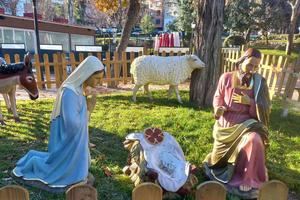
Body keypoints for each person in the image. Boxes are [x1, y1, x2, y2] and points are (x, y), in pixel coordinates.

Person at [12, 56, 104, 191]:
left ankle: (38, 159)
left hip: (74, 142)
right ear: (87, 74)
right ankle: (33, 162)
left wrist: (88, 106)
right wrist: (89, 107)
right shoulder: (70, 92)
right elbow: (73, 125)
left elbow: (79, 119)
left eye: (100, 78)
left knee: (78, 170)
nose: (99, 82)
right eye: (97, 78)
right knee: (57, 168)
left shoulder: (78, 90)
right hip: (68, 142)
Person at [204, 48, 271, 197]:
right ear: (242, 61)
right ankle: (226, 166)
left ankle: (248, 178)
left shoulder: (259, 82)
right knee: (216, 162)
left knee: (254, 140)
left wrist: (250, 102)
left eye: (256, 66)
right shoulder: (226, 77)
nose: (252, 69)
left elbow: (265, 108)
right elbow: (218, 97)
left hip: (248, 123)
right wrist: (218, 109)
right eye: (250, 65)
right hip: (226, 124)